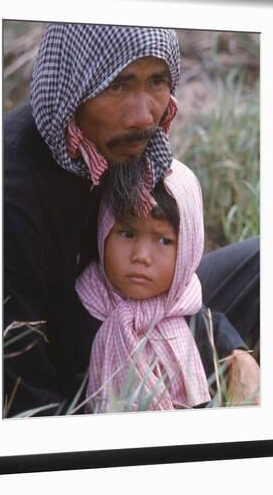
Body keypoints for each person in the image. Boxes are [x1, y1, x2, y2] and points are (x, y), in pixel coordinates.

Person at [3, 23, 259, 418]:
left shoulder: (126, 141)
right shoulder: (7, 191)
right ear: (75, 86)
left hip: (145, 304)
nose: (143, 116)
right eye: (118, 85)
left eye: (157, 82)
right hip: (73, 356)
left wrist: (229, 349)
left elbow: (169, 277)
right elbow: (20, 384)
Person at [76, 159, 218, 412]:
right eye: (127, 234)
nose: (141, 255)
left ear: (188, 248)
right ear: (103, 231)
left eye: (163, 240)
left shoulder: (190, 312)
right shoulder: (80, 308)